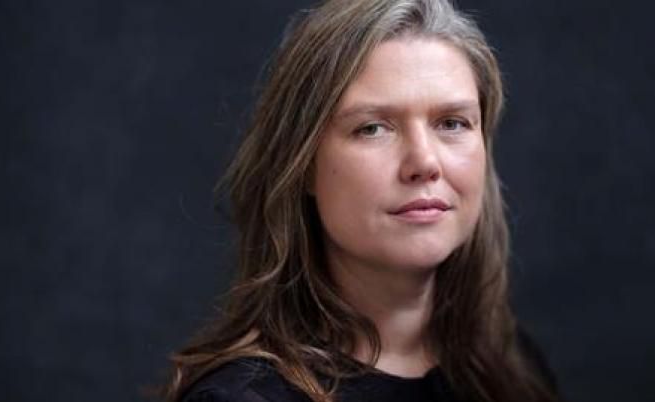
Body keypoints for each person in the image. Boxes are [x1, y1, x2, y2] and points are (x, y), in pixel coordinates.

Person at [163, 0, 560, 401]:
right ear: (301, 165)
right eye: (372, 128)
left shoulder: (510, 370)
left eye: (452, 123)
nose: (424, 162)